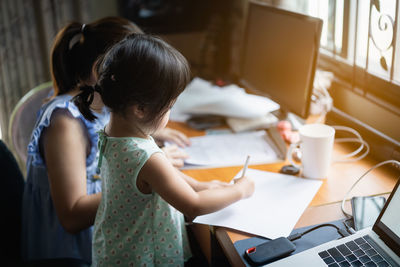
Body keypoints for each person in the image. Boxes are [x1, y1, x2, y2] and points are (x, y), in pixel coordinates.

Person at [74, 33, 255, 266]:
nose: (170, 114)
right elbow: (194, 205)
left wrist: (201, 185)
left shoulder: (114, 134)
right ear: (139, 108)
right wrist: (241, 190)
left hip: (115, 249)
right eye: (169, 106)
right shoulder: (144, 156)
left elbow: (163, 174)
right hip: (142, 257)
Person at [21, 17, 189, 266]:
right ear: (101, 70)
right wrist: (147, 178)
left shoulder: (99, 107)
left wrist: (147, 129)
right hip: (69, 252)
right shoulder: (64, 123)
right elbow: (71, 216)